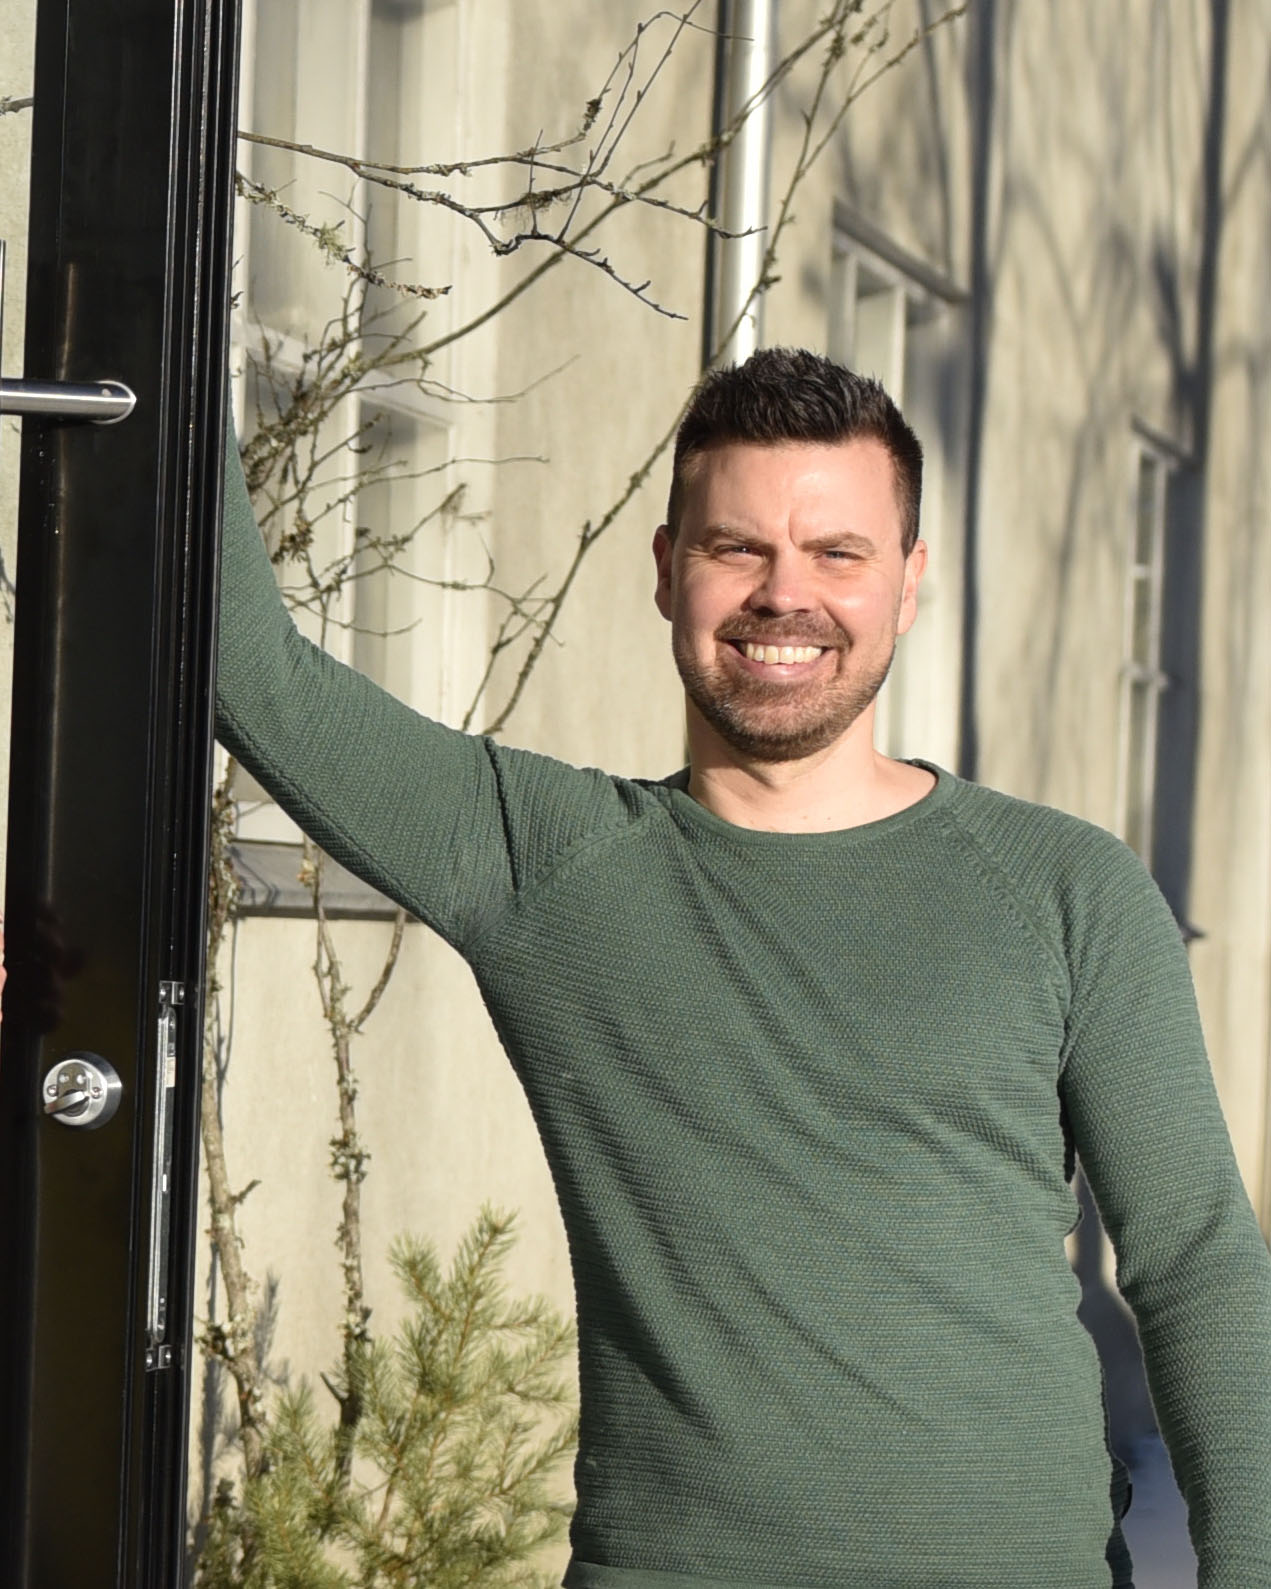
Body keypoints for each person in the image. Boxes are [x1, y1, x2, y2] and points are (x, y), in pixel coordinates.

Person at [216, 347, 1271, 1589]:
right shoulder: (545, 863)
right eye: (736, 548)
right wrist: (161, 293)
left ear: (907, 582)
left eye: (837, 552)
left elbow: (1196, 1258)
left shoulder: (1061, 888)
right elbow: (253, 675)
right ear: (667, 570)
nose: (785, 595)